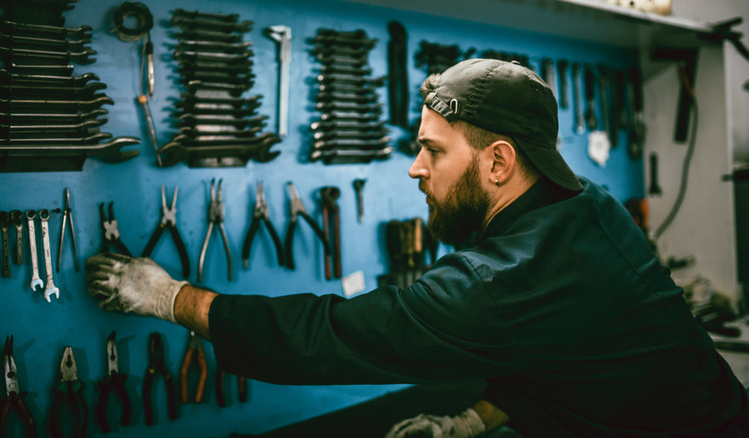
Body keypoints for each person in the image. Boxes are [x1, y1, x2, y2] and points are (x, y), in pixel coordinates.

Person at [86, 58, 748, 437]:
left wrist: (174, 299)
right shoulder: (591, 206)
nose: (414, 168)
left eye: (432, 150)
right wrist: (473, 420)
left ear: (497, 163)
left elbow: (327, 335)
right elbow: (579, 358)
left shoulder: (496, 285)